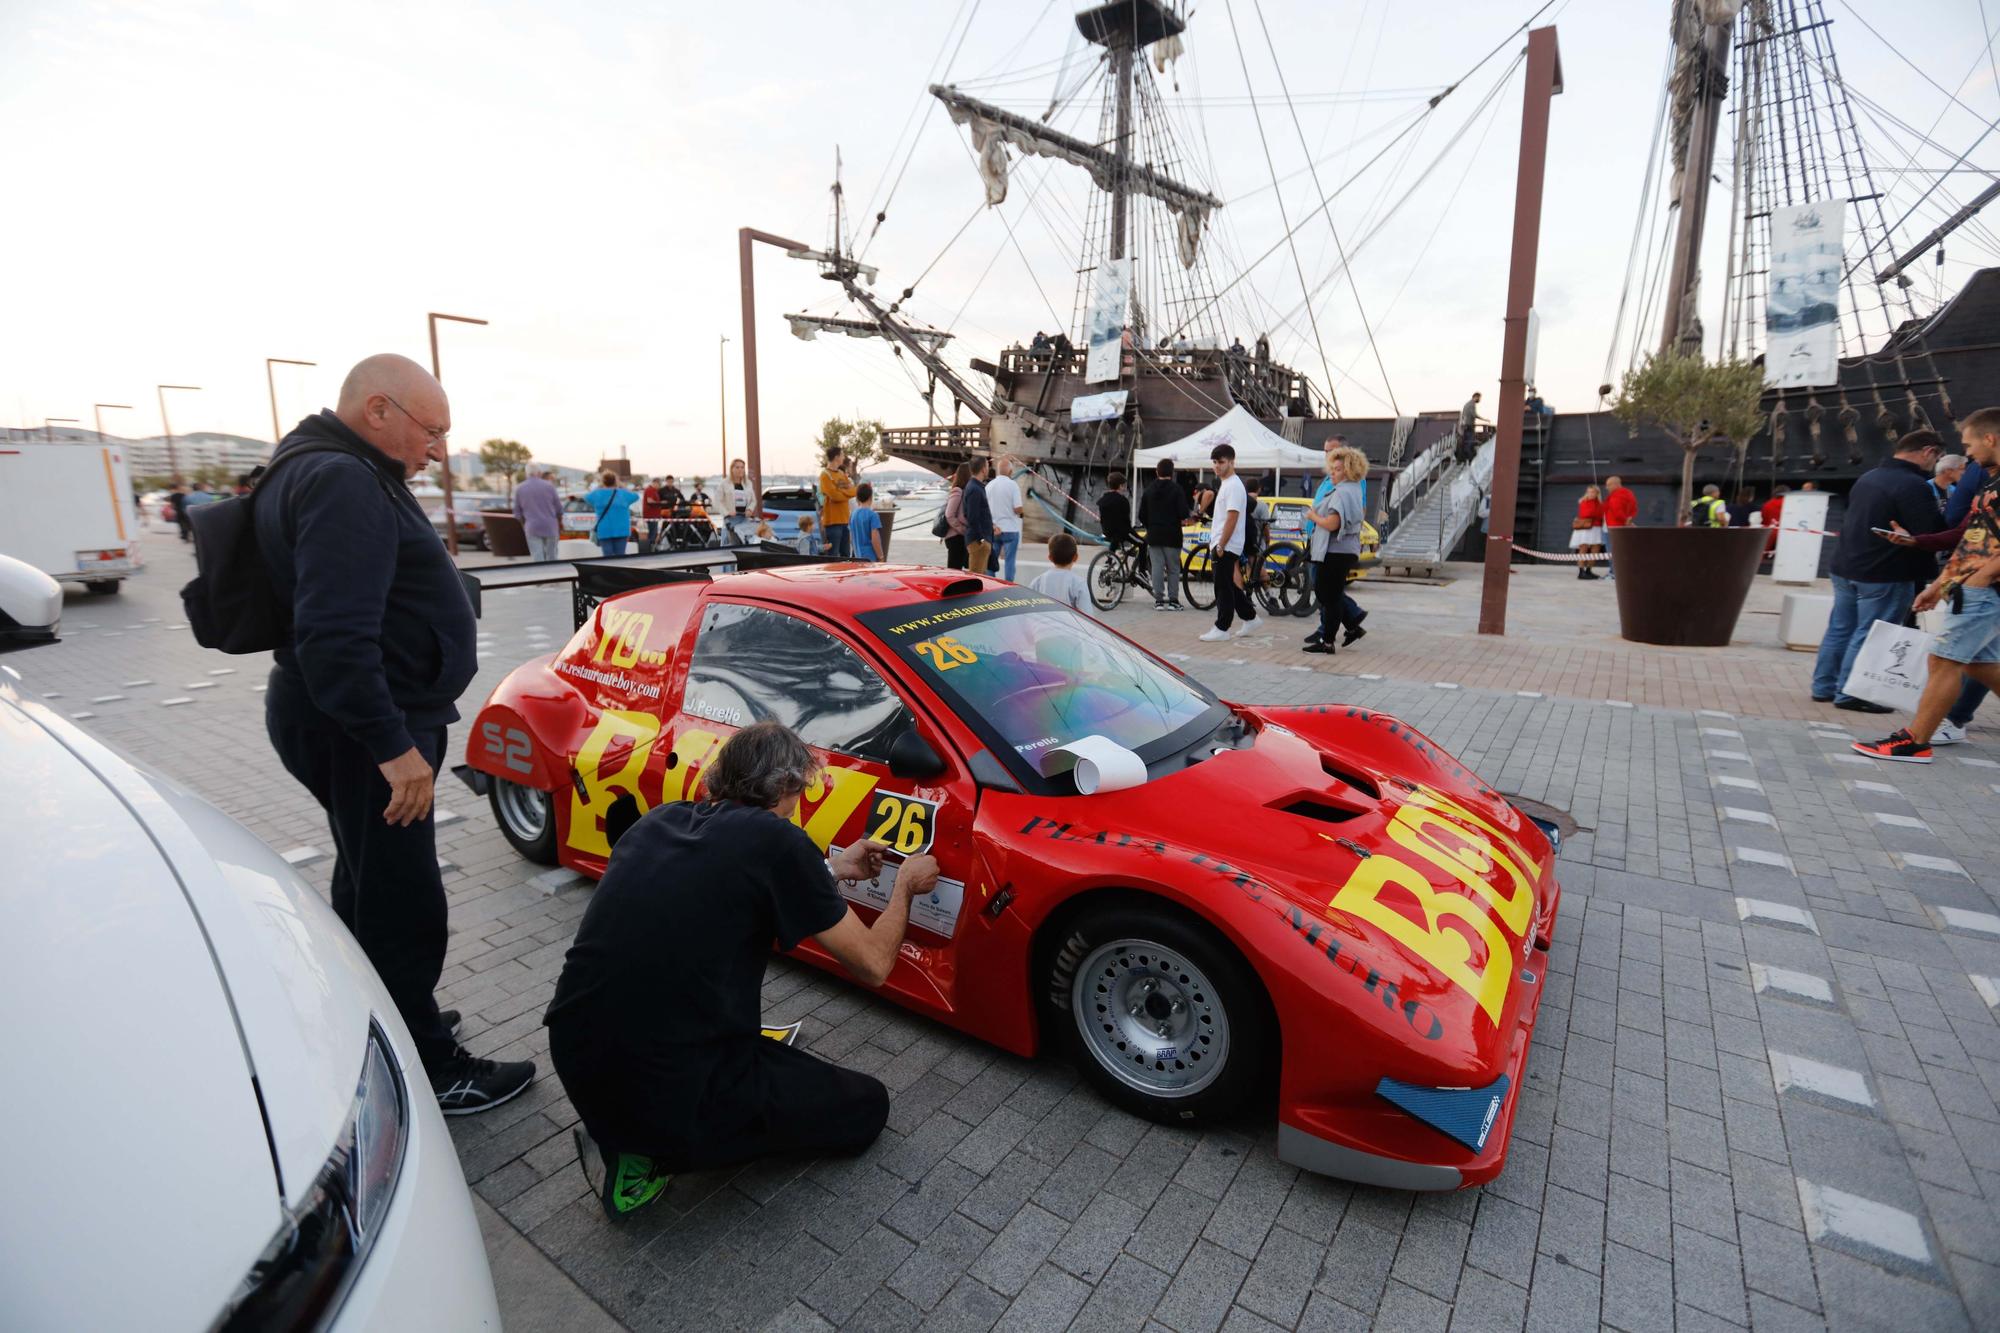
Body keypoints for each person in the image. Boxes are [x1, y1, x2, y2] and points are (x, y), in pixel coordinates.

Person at [256, 353, 533, 1115]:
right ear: (378, 409)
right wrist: (392, 747)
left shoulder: (321, 464)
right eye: (432, 429)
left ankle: (383, 1010)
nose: (439, 448)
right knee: (404, 897)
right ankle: (430, 1066)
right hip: (365, 729)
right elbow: (334, 636)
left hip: (345, 718)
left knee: (368, 879)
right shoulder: (344, 479)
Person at [546, 721, 939, 1219]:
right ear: (786, 788)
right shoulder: (777, 840)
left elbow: (735, 878)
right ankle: (645, 1154)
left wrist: (833, 870)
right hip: (662, 1083)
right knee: (867, 1106)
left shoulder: (663, 820)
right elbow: (874, 965)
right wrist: (905, 885)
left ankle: (632, 1120)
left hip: (577, 1051)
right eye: (800, 793)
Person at [1853, 409, 2000, 762]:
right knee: (1979, 664)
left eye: (1969, 444)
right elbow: (1974, 540)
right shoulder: (1992, 481)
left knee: (1943, 658)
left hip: (1983, 589)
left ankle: (1916, 741)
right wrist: (1940, 585)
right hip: (1972, 586)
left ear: (1990, 439)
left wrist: (1981, 578)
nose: (1967, 453)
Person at [1810, 430, 1946, 711]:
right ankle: (1851, 694)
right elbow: (1929, 532)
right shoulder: (1914, 484)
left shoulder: (1868, 477)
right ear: (1928, 451)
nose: (1936, 464)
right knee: (1873, 632)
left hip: (1845, 566)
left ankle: (1824, 687)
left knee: (1840, 628)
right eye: (1938, 457)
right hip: (1886, 571)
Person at [1304, 446, 1369, 654]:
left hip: (1335, 551)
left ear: (1349, 470)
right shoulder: (1354, 489)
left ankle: (1329, 640)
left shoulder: (1342, 492)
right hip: (1344, 550)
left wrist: (1313, 517)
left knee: (1327, 595)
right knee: (1330, 594)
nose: (1333, 472)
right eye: (1332, 468)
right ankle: (1351, 624)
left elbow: (1332, 524)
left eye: (1338, 469)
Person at [1198, 442, 1260, 642]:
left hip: (1225, 544)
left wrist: (1221, 545)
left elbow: (1232, 517)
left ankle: (1222, 627)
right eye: (1214, 462)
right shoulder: (1227, 484)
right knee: (1228, 584)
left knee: (1222, 587)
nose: (1217, 466)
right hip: (1224, 543)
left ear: (1232, 462)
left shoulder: (1233, 485)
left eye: (1221, 462)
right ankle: (1250, 617)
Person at [1140, 458, 1190, 611]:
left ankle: (1159, 601)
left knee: (1156, 568)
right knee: (1173, 569)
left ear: (1157, 472)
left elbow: (1141, 515)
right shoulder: (1177, 489)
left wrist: (1151, 526)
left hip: (1154, 535)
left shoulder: (1148, 490)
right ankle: (1173, 601)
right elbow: (1183, 513)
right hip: (1172, 535)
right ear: (1172, 472)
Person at [1029, 533, 1089, 613]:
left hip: (1042, 624)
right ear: (1076, 557)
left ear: (1050, 558)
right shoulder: (1078, 583)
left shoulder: (1037, 581)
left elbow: (1030, 609)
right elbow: (1087, 614)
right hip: (1068, 624)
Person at [986, 455, 1024, 580]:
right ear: (1010, 471)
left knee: (991, 562)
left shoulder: (989, 486)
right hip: (1010, 530)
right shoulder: (1013, 485)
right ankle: (1009, 586)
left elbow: (984, 509)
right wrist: (1021, 511)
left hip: (994, 530)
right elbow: (1017, 508)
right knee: (1010, 561)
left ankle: (991, 585)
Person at [514, 467, 564, 561]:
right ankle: (554, 574)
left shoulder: (520, 488)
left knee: (537, 557)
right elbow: (559, 509)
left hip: (532, 527)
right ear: (539, 473)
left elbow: (517, 513)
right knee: (552, 556)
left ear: (526, 473)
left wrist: (524, 524)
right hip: (550, 526)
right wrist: (560, 523)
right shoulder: (549, 486)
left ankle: (541, 574)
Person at [585, 471, 637, 557]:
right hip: (621, 530)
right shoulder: (623, 494)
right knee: (620, 556)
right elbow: (635, 496)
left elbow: (587, 496)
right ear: (615, 481)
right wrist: (621, 485)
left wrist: (600, 486)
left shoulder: (597, 494)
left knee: (607, 557)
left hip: (605, 530)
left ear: (603, 481)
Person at [819, 448, 858, 560]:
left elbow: (853, 491)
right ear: (836, 457)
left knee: (846, 554)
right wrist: (844, 493)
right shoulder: (825, 475)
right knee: (833, 555)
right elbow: (834, 496)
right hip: (832, 522)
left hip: (845, 521)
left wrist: (841, 491)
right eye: (842, 455)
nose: (843, 458)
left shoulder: (841, 473)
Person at [962, 456, 995, 576]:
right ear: (983, 469)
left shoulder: (976, 487)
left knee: (981, 577)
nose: (988, 468)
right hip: (978, 542)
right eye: (987, 466)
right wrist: (981, 539)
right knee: (976, 577)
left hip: (981, 540)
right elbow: (972, 517)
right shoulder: (975, 489)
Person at [1571, 485, 1605, 579]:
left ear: (1597, 493)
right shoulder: (1583, 501)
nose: (1590, 494)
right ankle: (1581, 572)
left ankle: (1589, 571)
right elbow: (1586, 514)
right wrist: (1597, 513)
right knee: (1583, 549)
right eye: (1589, 492)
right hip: (1585, 528)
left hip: (1597, 528)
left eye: (1593, 492)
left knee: (1596, 550)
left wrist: (1597, 513)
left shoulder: (1600, 503)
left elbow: (1601, 514)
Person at [942, 463, 971, 570]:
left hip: (959, 537)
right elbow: (949, 515)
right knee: (954, 570)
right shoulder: (957, 491)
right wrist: (962, 529)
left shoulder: (964, 491)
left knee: (959, 570)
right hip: (955, 537)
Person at [724, 458, 757, 546]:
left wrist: (750, 509)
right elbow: (718, 503)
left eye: (742, 467)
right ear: (732, 469)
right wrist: (727, 511)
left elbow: (753, 501)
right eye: (737, 467)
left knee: (746, 544)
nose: (740, 470)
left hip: (744, 519)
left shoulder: (748, 484)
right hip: (731, 520)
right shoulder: (725, 484)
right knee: (732, 545)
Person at [849, 482, 884, 561]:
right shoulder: (873, 515)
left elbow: (851, 538)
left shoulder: (853, 514)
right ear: (870, 497)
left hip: (858, 556)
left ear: (857, 498)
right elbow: (875, 539)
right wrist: (881, 556)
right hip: (870, 557)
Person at [1099, 471, 1132, 552]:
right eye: (1124, 486)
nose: (1125, 488)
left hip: (1106, 531)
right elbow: (1126, 519)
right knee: (1142, 543)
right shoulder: (1123, 500)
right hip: (1120, 532)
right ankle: (1142, 564)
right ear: (1120, 486)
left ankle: (1111, 558)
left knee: (1116, 534)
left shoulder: (1104, 498)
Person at [1458, 391, 1482, 460]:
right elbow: (1474, 415)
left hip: (1465, 426)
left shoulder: (1467, 404)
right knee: (1470, 444)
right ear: (1476, 397)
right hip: (1469, 426)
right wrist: (1484, 419)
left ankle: (1463, 458)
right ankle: (1470, 459)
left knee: (1465, 442)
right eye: (1479, 398)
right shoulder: (1472, 404)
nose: (1479, 400)